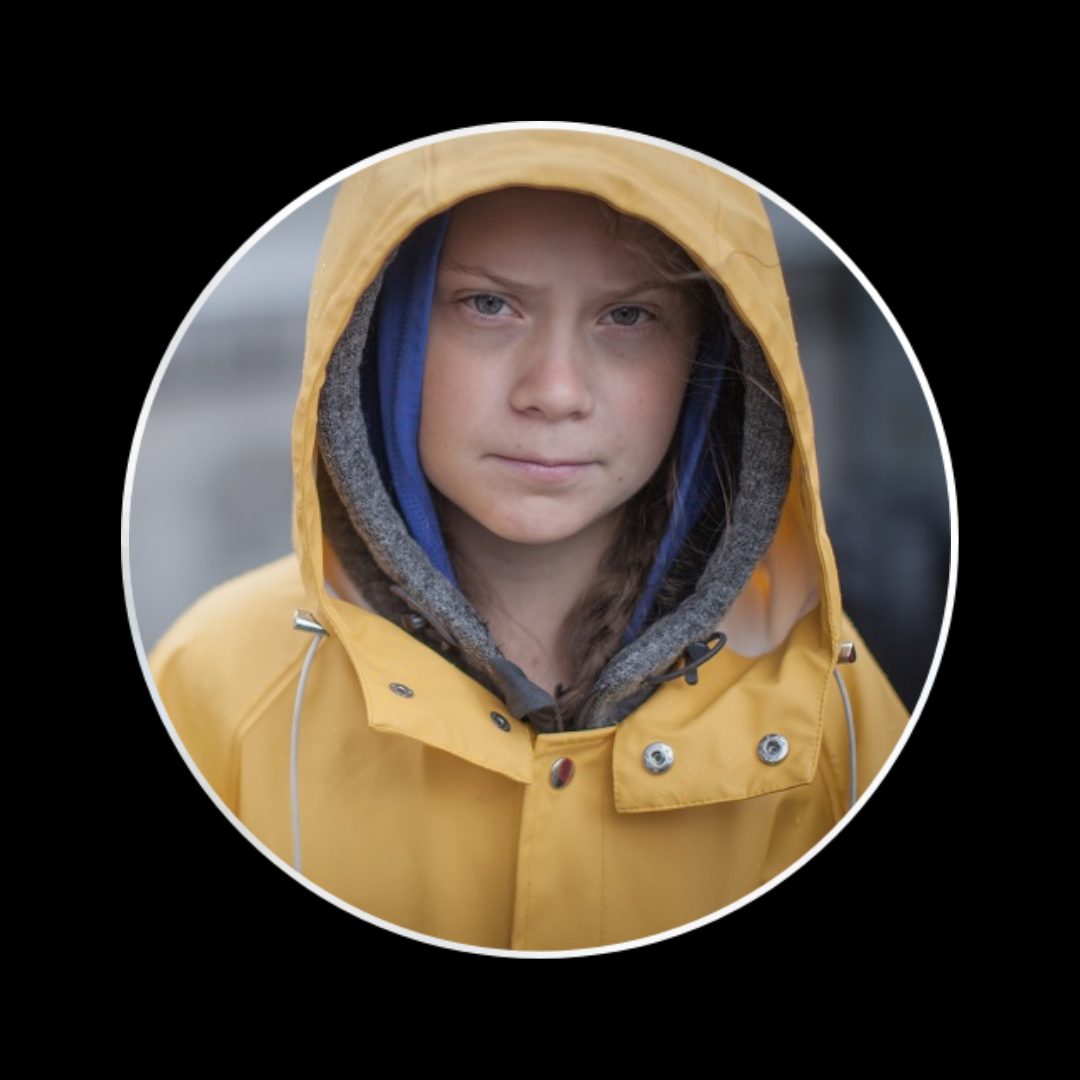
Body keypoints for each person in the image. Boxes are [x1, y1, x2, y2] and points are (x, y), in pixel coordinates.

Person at [147, 128, 912, 953]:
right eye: (489, 305)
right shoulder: (222, 684)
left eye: (627, 315)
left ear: (708, 351)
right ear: (381, 325)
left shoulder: (819, 695)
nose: (555, 391)